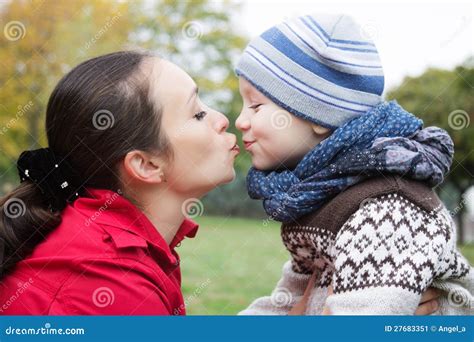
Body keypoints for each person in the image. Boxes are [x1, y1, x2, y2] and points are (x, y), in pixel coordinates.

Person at [234, 14, 473, 315]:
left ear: (317, 115)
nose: (240, 121)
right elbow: (288, 303)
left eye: (256, 105)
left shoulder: (386, 209)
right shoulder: (324, 195)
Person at [0, 50, 240, 315]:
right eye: (197, 114)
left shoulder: (117, 250)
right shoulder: (111, 282)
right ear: (146, 165)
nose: (223, 119)